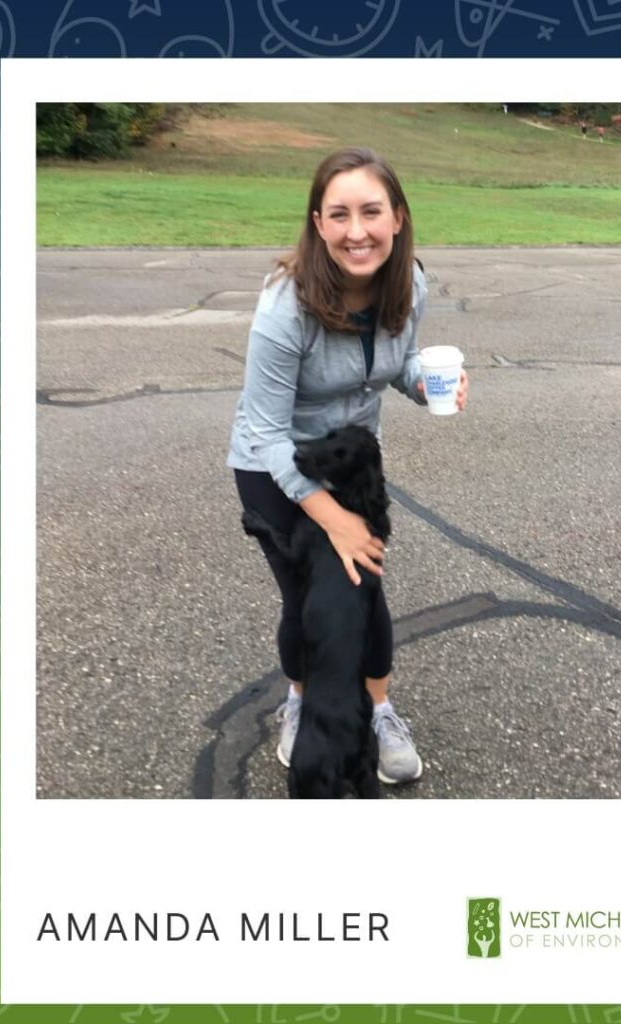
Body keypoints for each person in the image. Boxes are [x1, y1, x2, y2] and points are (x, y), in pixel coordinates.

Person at [227, 147, 469, 786]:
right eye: (339, 214)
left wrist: (428, 386)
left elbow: (402, 362)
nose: (355, 230)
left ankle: (379, 711)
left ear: (397, 217)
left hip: (353, 461)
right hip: (272, 465)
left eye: (370, 211)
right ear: (317, 222)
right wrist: (330, 516)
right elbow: (265, 430)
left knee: (367, 589)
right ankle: (302, 703)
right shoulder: (286, 305)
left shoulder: (407, 282)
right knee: (308, 596)